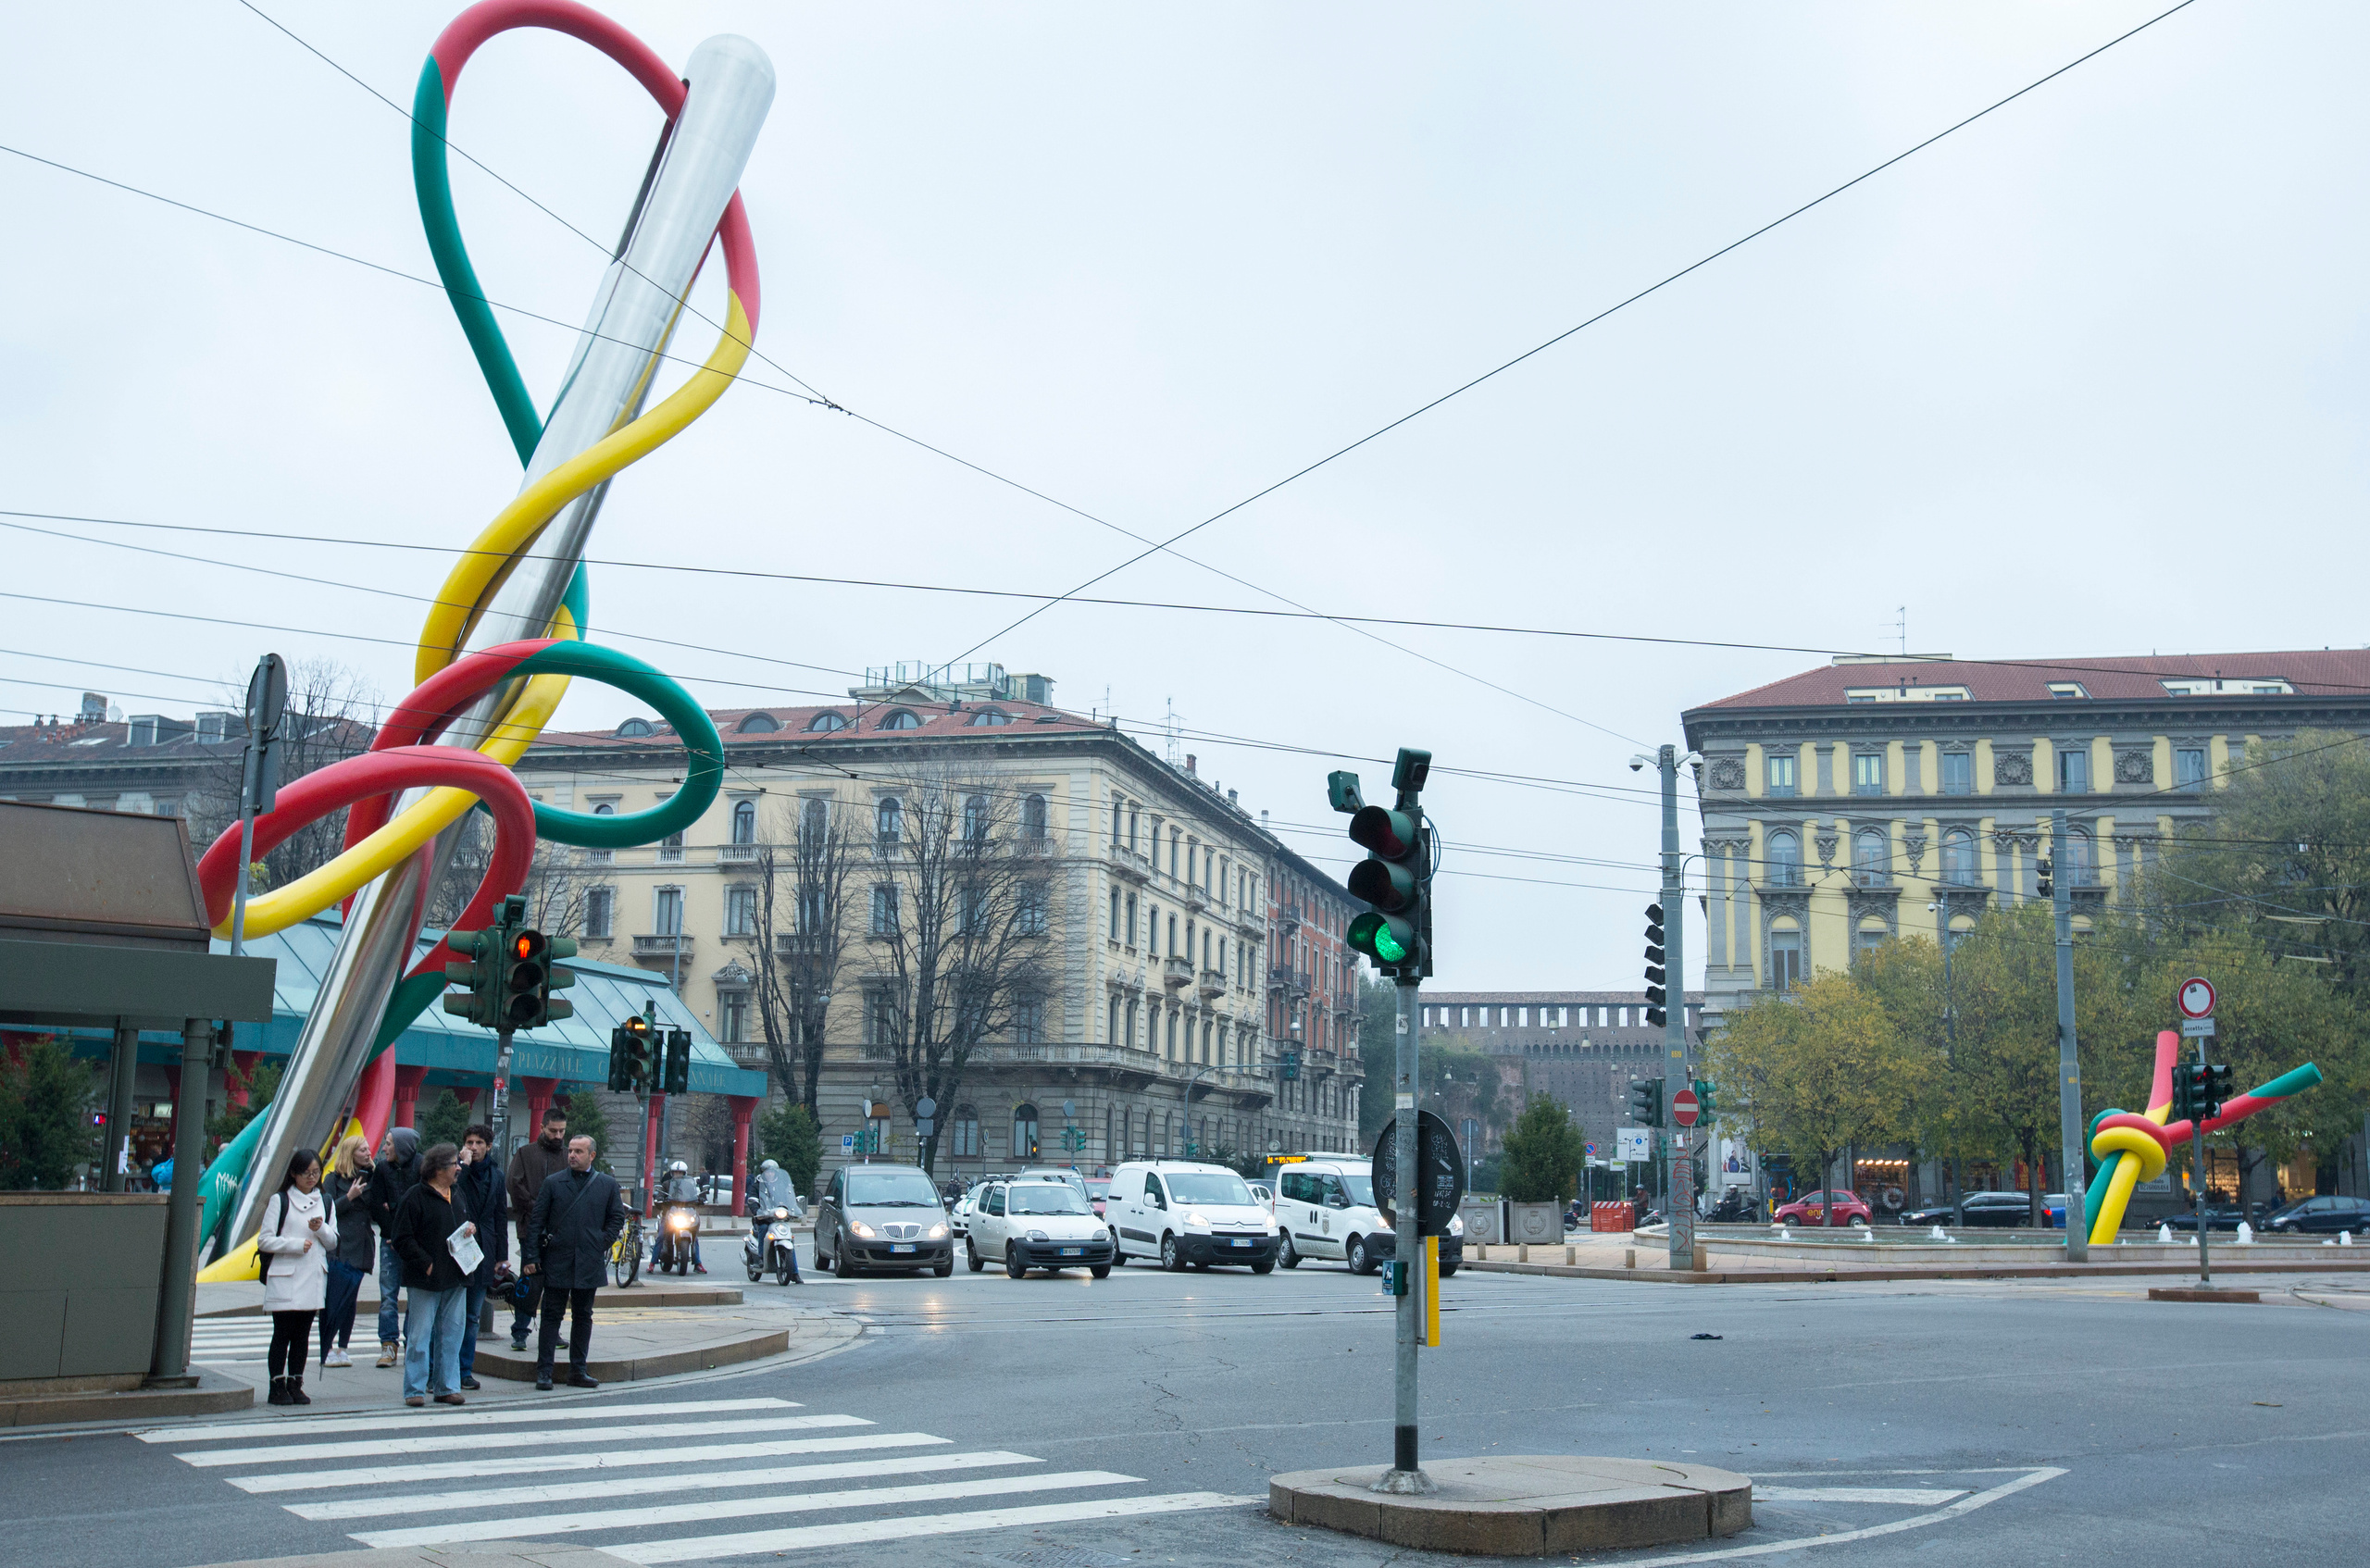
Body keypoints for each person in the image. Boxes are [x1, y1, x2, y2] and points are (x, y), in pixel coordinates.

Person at [525, 1134, 624, 1392]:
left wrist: (600, 1242)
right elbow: (537, 1222)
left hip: (588, 1260)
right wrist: (532, 1257)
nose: (572, 1155)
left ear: (592, 1155)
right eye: (570, 1150)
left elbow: (616, 1218)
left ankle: (577, 1370)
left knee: (583, 1316)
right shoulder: (553, 1183)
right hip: (557, 1259)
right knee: (550, 1316)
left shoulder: (606, 1184)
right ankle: (544, 1371)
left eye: (579, 1151)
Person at [391, 1141, 475, 1407]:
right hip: (426, 1277)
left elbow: (458, 1226)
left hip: (457, 1274)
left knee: (452, 1334)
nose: (459, 1168)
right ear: (438, 1169)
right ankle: (414, 1389)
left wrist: (469, 1228)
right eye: (454, 1164)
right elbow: (401, 1238)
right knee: (419, 1335)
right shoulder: (415, 1197)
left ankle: (447, 1387)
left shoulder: (457, 1193)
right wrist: (425, 1263)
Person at [257, 1147, 337, 1406]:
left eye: (316, 1172)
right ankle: (276, 1385)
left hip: (313, 1276)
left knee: (302, 1334)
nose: (311, 1178)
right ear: (293, 1174)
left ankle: (296, 1382)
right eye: (306, 1173)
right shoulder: (280, 1200)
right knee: (282, 1333)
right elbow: (264, 1240)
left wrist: (321, 1229)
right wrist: (294, 1244)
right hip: (285, 1276)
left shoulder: (325, 1201)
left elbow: (333, 1241)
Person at [505, 1106, 572, 1352]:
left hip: (559, 1232)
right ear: (542, 1127)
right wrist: (539, 1209)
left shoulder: (568, 1156)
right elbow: (514, 1185)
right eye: (553, 1130)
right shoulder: (525, 1153)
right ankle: (520, 1330)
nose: (557, 1135)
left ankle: (551, 1330)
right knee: (530, 1281)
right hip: (531, 1230)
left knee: (557, 1285)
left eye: (562, 1131)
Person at [453, 1124, 509, 1389]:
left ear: (488, 1146)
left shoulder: (496, 1176)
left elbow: (500, 1216)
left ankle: (465, 1370)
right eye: (469, 1142)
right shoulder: (455, 1170)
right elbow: (453, 1194)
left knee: (473, 1316)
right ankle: (439, 1369)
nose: (473, 1148)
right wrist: (461, 1167)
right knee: (450, 1315)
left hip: (484, 1250)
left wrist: (502, 1256)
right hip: (457, 1248)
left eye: (478, 1143)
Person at [366, 1126, 422, 1367]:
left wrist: (399, 1216)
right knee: (388, 1295)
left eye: (389, 1144)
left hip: (415, 1242)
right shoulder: (382, 1168)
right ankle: (388, 1344)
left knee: (415, 1295)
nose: (384, 1148)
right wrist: (391, 1230)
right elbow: (377, 1203)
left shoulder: (421, 1166)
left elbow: (421, 1205)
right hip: (390, 1241)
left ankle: (412, 1343)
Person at [319, 1134, 376, 1369]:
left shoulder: (372, 1178)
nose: (367, 1152)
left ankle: (344, 1347)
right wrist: (349, 1197)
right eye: (362, 1150)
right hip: (339, 1246)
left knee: (351, 1299)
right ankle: (327, 1348)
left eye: (367, 1149)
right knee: (333, 1299)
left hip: (361, 1246)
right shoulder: (332, 1179)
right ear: (350, 1153)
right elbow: (326, 1210)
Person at [749, 1158, 803, 1283]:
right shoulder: (757, 1184)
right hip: (764, 1218)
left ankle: (794, 1272)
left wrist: (793, 1207)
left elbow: (789, 1196)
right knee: (763, 1229)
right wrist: (757, 1211)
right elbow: (752, 1199)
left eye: (772, 1172)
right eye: (767, 1172)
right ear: (763, 1172)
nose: (770, 1174)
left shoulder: (781, 1185)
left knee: (789, 1238)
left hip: (779, 1218)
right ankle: (761, 1257)